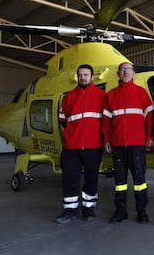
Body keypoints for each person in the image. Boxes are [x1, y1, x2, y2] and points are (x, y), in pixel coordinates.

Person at [102, 62, 154, 224]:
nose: (125, 72)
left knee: (139, 180)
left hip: (137, 144)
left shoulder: (141, 93)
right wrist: (107, 140)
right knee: (120, 182)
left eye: (128, 69)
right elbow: (106, 121)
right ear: (118, 74)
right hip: (118, 145)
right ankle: (121, 211)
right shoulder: (110, 95)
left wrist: (150, 138)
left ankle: (142, 211)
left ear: (133, 73)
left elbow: (149, 118)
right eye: (122, 70)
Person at [55, 64, 106, 224]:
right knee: (70, 179)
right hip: (71, 147)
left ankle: (88, 209)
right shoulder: (68, 97)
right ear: (77, 77)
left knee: (92, 179)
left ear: (92, 77)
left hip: (93, 146)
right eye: (80, 75)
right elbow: (63, 121)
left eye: (86, 74)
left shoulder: (101, 96)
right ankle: (70, 210)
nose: (83, 77)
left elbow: (106, 121)